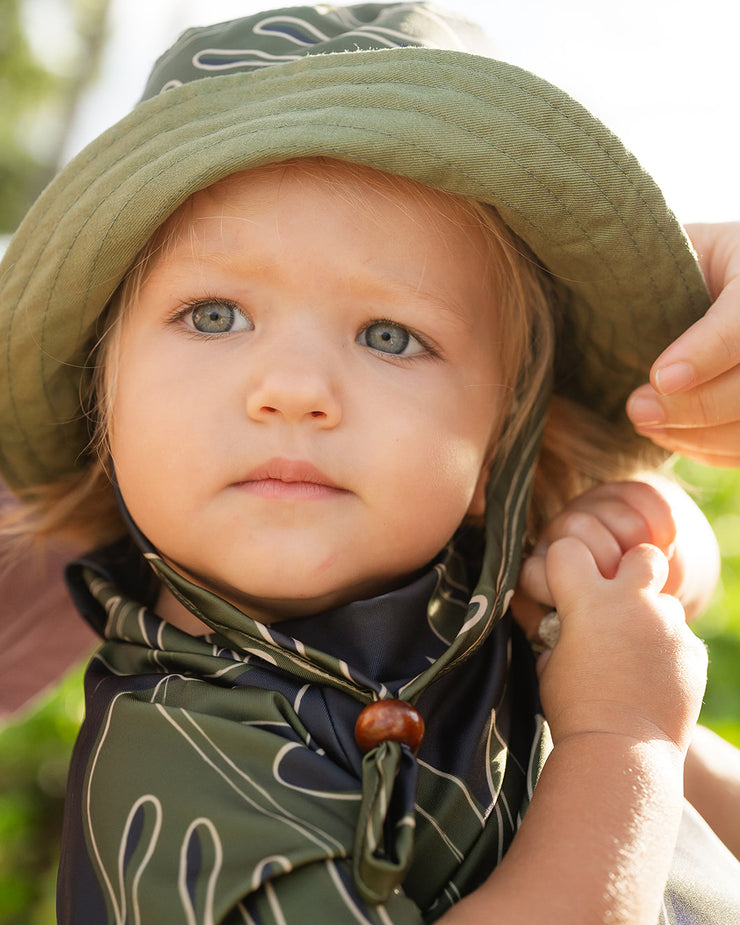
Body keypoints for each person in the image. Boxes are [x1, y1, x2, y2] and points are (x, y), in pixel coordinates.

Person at [0, 4, 738, 923]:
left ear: (503, 432)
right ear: (98, 394)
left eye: (391, 336)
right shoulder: (182, 757)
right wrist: (624, 738)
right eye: (214, 315)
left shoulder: (466, 614)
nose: (295, 388)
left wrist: (642, 541)